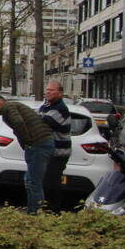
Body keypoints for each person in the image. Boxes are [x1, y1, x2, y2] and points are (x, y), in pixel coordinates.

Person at [0, 95, 54, 214]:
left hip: (38, 144)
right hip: (41, 143)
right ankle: (32, 210)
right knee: (30, 180)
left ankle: (35, 213)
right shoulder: (10, 108)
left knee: (33, 182)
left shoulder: (8, 107)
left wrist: (26, 142)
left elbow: (18, 122)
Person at [39, 80, 72, 212]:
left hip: (58, 153)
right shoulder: (47, 106)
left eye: (51, 90)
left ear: (60, 93)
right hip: (49, 152)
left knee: (51, 182)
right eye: (47, 89)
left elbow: (43, 122)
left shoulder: (60, 109)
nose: (48, 92)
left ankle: (54, 210)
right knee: (46, 181)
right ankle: (48, 207)